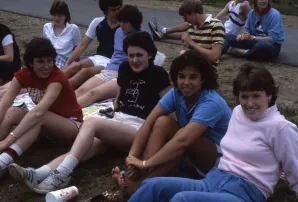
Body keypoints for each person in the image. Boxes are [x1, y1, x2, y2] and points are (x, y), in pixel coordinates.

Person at [8, 32, 172, 194]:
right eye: (131, 55)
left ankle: (63, 174)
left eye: (139, 55)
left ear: (150, 54)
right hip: (118, 121)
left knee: (91, 122)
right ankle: (40, 173)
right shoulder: (124, 69)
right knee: (83, 147)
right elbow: (118, 99)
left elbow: (167, 107)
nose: (134, 60)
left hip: (138, 126)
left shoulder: (159, 74)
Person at [127, 64, 298, 202]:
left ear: (269, 95)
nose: (250, 103)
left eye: (256, 96)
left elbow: (296, 173)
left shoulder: (281, 128)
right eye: (244, 96)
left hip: (245, 193)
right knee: (152, 186)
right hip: (214, 178)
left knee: (182, 200)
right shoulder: (237, 113)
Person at [113, 50, 232, 195]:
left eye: (193, 77)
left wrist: (146, 164)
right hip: (190, 150)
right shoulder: (176, 93)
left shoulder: (211, 102)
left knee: (182, 137)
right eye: (182, 77)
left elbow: (183, 141)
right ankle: (135, 176)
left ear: (202, 79)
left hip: (219, 160)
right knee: (162, 122)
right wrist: (132, 159)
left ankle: (142, 186)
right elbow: (148, 123)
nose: (186, 82)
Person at [0, 38, 83, 179]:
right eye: (40, 61)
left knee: (37, 116)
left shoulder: (57, 78)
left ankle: (4, 160)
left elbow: (39, 112)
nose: (46, 66)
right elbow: (4, 104)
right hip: (47, 125)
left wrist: (8, 140)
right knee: (12, 111)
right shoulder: (23, 74)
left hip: (71, 125)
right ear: (30, 63)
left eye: (49, 61)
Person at [75, 5, 143, 107]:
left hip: (125, 75)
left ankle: (66, 114)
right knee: (82, 90)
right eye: (120, 21)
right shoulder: (119, 31)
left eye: (125, 22)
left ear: (133, 22)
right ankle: (56, 108)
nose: (121, 25)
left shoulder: (142, 36)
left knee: (92, 94)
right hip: (110, 70)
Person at [62, 0, 122, 89]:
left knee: (85, 72)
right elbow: (82, 45)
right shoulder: (97, 22)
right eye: (113, 10)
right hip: (99, 57)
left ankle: (58, 94)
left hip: (113, 62)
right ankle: (47, 85)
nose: (117, 12)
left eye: (119, 8)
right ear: (105, 11)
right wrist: (68, 62)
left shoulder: (125, 25)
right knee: (75, 66)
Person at [148, 0, 225, 67]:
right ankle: (162, 31)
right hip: (191, 66)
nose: (185, 20)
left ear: (193, 13)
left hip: (207, 70)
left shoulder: (216, 26)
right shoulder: (193, 26)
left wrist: (191, 43)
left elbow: (215, 57)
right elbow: (182, 33)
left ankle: (162, 31)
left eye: (185, 17)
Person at [149, 0, 250, 39]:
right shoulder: (231, 3)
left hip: (228, 35)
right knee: (192, 25)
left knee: (191, 34)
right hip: (223, 28)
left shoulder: (245, 5)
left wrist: (245, 36)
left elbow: (250, 22)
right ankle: (162, 31)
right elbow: (218, 17)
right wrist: (210, 25)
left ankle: (162, 32)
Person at [43, 0, 81, 69]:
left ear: (65, 16)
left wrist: (74, 63)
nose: (57, 18)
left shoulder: (73, 29)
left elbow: (77, 48)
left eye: (60, 15)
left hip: (64, 60)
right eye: (54, 15)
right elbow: (43, 46)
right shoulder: (46, 27)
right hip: (48, 57)